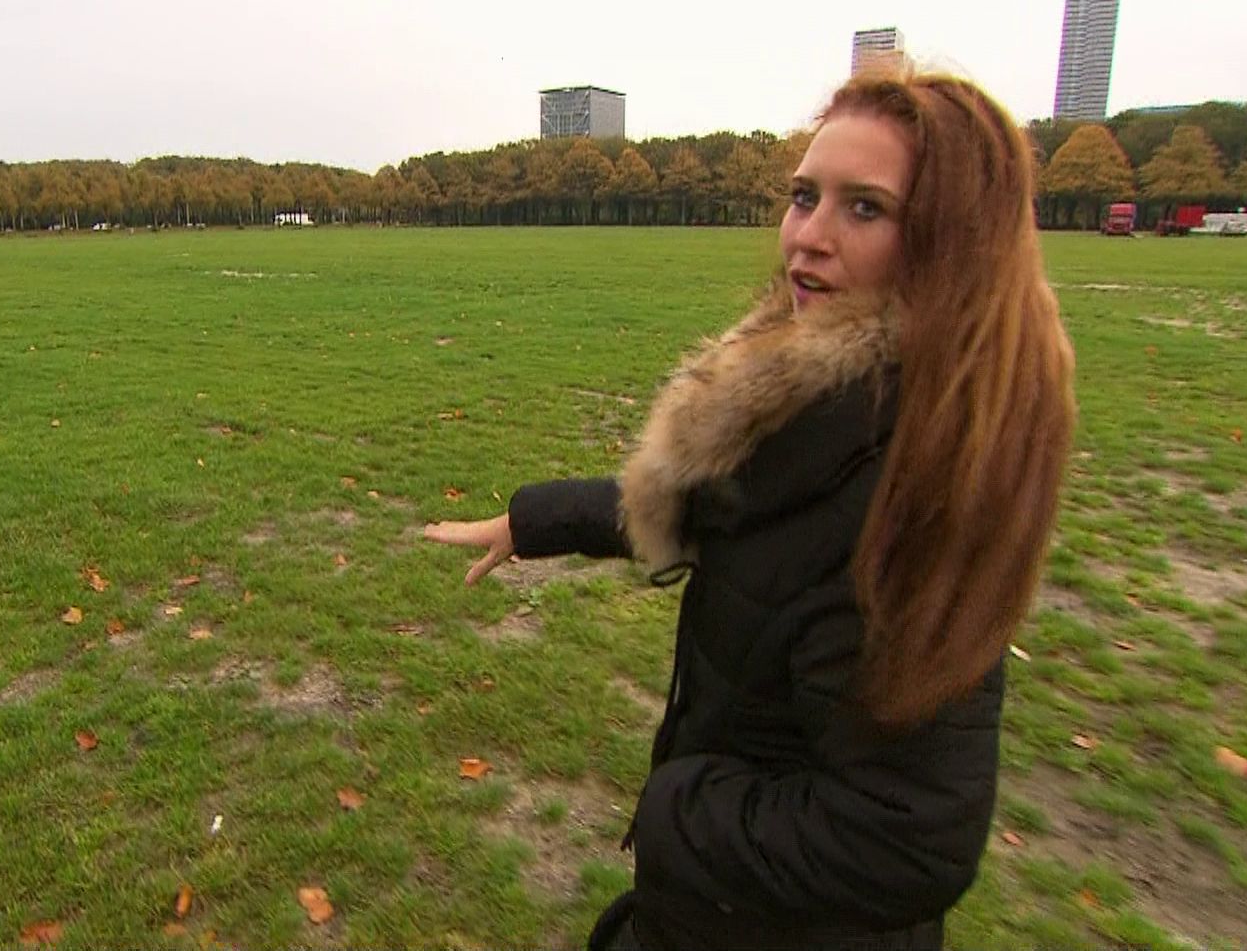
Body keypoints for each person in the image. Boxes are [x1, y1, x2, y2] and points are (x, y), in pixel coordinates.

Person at [424, 69, 1076, 951]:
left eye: (865, 208)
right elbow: (735, 522)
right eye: (805, 197)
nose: (808, 235)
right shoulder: (825, 407)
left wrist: (677, 809)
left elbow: (906, 840)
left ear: (951, 241)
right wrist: (538, 522)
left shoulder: (911, 478)